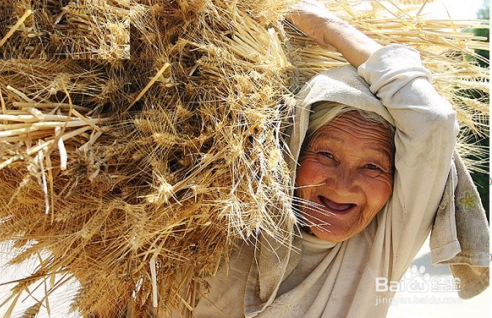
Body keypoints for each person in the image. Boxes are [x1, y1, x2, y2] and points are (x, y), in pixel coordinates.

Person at [190, 1, 487, 317]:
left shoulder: (382, 247)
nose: (344, 185)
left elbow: (433, 121)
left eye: (372, 166)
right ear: (293, 154)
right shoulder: (219, 224)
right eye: (327, 155)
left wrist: (327, 28)